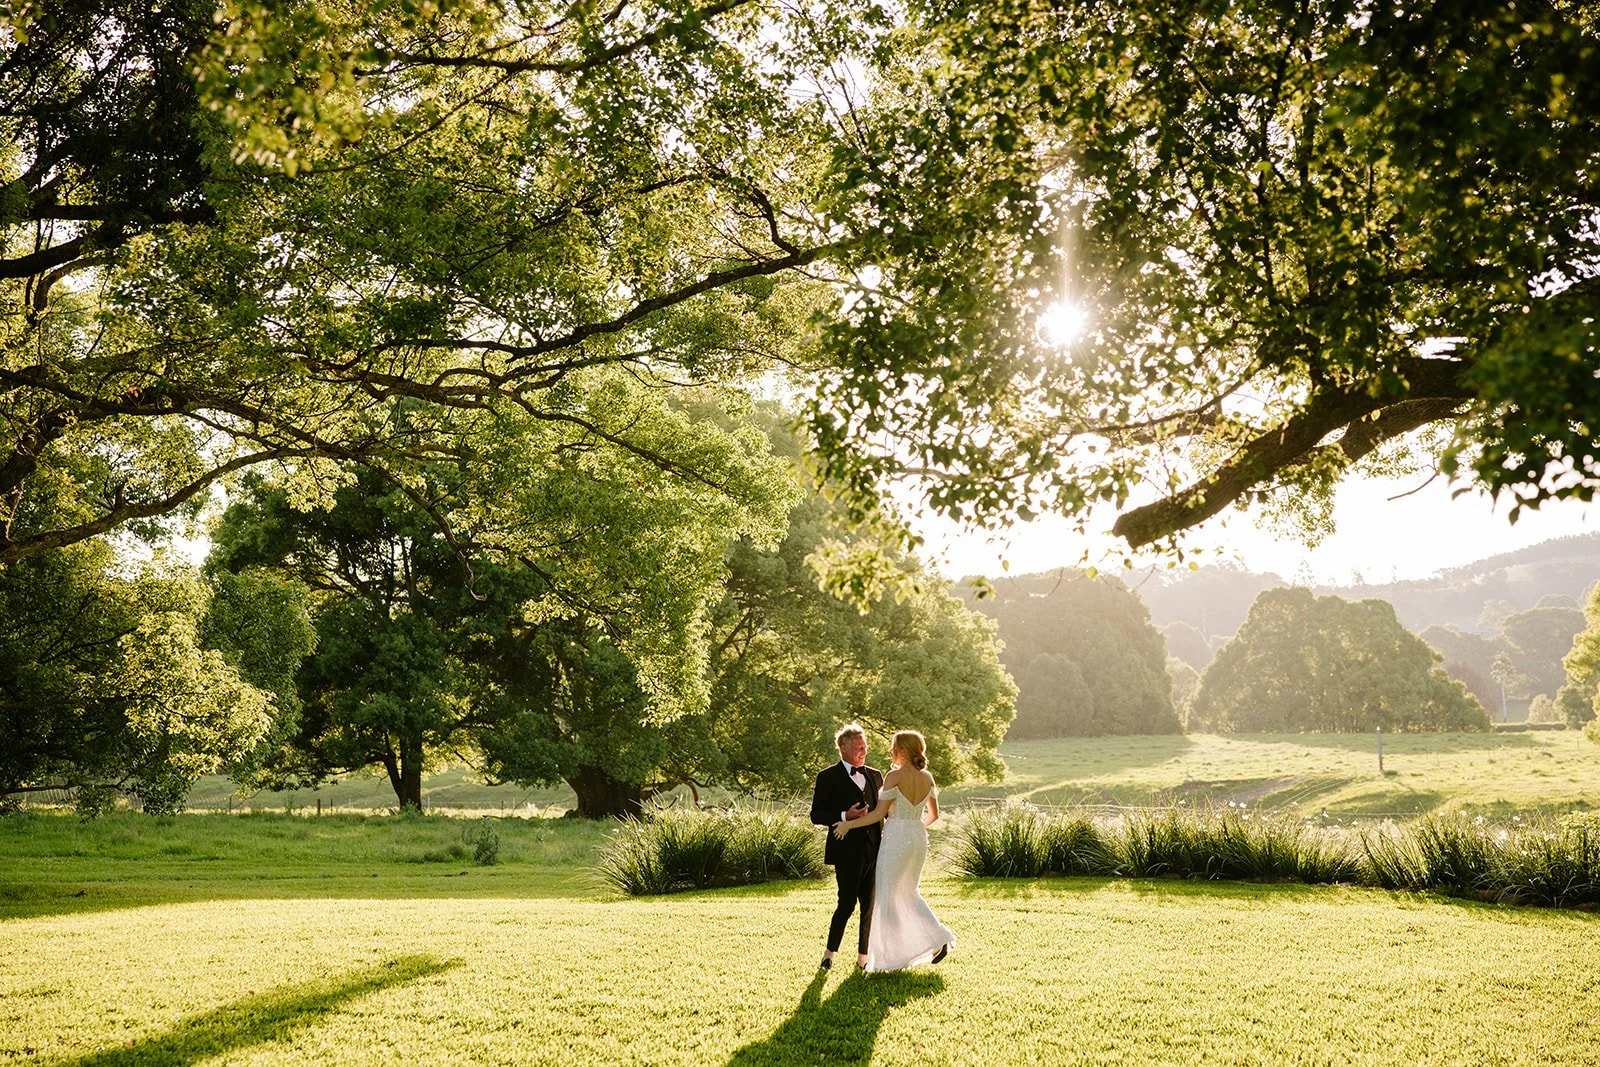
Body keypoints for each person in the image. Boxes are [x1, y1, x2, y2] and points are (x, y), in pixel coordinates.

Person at [832, 729, 954, 972]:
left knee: (887, 896)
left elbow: (878, 814)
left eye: (894, 747)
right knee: (910, 892)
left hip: (896, 838)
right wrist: (914, 827)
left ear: (903, 750)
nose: (891, 751)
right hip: (918, 838)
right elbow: (935, 815)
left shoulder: (893, 776)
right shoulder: (927, 777)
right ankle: (932, 941)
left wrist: (848, 824)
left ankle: (892, 957)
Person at [809, 723, 881, 971]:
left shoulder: (876, 775)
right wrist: (844, 816)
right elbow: (816, 815)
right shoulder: (827, 777)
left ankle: (863, 958)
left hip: (875, 850)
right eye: (860, 746)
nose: (864, 750)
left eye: (866, 746)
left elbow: (882, 811)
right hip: (846, 852)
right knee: (847, 903)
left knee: (869, 906)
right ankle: (829, 954)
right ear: (844, 747)